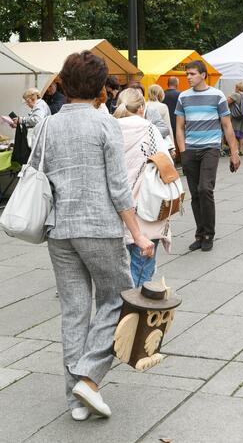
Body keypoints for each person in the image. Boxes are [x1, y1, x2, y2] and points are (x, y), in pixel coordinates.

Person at [29, 51, 154, 421]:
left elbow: (37, 173)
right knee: (119, 299)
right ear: (101, 89)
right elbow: (119, 189)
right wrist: (139, 235)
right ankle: (90, 379)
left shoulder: (47, 125)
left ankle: (75, 400)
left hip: (59, 229)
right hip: (98, 227)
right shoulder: (104, 126)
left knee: (74, 311)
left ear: (64, 85)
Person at [175, 60, 240, 252]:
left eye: (192, 74)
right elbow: (179, 126)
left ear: (203, 75)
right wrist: (183, 151)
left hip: (210, 148)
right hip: (190, 150)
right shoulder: (183, 97)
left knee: (205, 189)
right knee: (195, 194)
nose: (188, 77)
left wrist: (234, 153)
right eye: (187, 74)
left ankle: (209, 234)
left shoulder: (218, 96)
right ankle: (200, 233)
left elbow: (227, 126)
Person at [114, 88, 173, 286]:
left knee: (121, 265)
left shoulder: (110, 127)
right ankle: (135, 309)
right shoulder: (148, 128)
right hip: (146, 204)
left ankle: (122, 308)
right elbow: (166, 164)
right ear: (141, 107)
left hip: (116, 206)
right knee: (143, 264)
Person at [145, 84, 176, 155]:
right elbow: (168, 127)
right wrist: (172, 147)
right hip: (161, 140)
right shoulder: (163, 107)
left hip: (147, 140)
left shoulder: (144, 105)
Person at [227, 82, 243, 156]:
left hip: (235, 118)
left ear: (237, 87)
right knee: (242, 135)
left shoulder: (235, 95)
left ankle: (235, 151)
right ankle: (241, 150)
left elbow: (226, 102)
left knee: (234, 134)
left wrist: (229, 96)